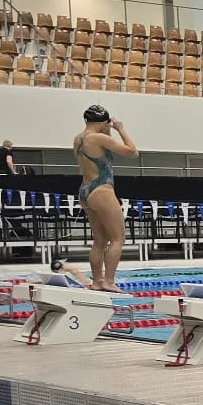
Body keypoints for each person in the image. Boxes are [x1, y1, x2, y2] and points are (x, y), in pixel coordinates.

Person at [73, 105, 136, 292]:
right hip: (101, 189)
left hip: (85, 190)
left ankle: (97, 282)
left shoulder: (78, 139)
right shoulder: (98, 138)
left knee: (99, 240)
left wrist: (107, 130)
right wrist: (120, 129)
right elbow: (132, 152)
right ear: (102, 122)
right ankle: (108, 281)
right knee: (118, 238)